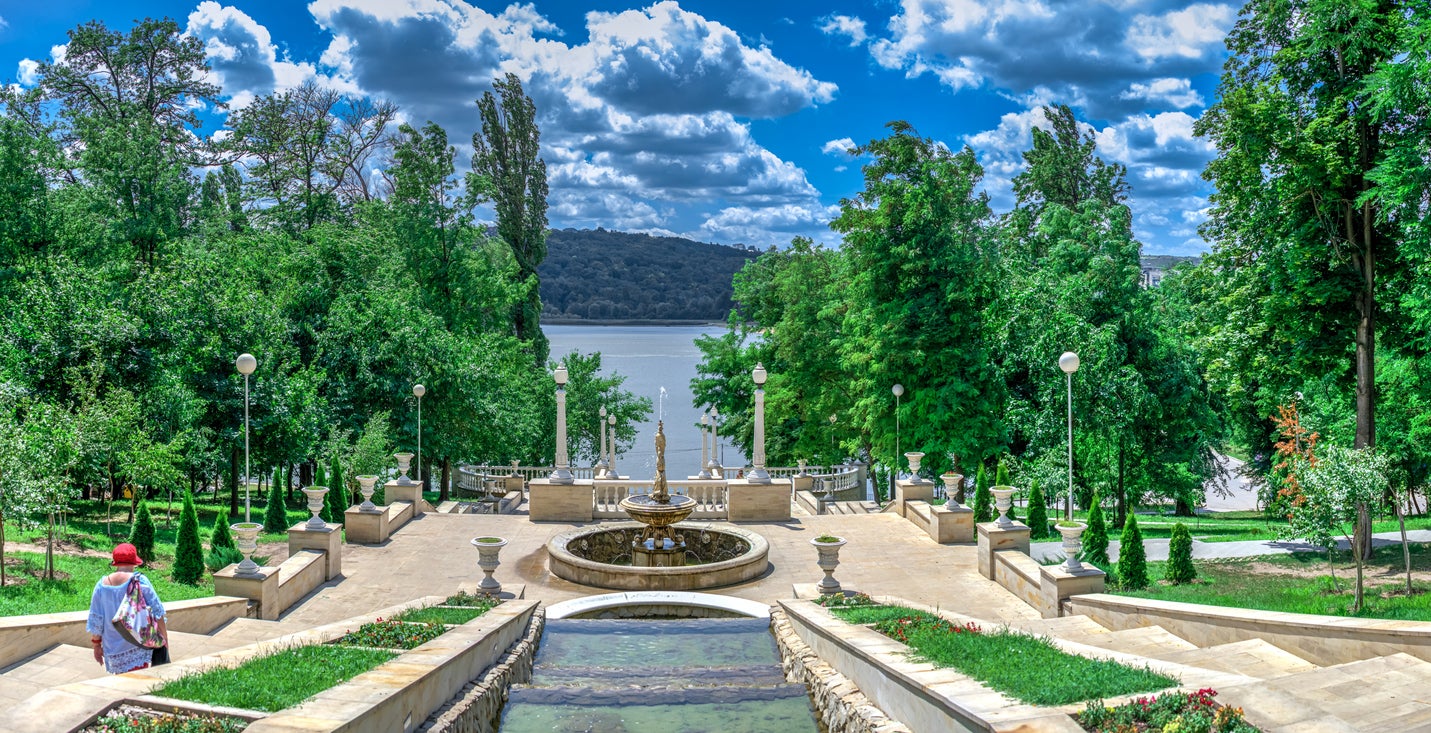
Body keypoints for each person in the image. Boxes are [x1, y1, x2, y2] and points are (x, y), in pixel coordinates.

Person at [86, 542, 168, 673]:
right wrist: (165, 640)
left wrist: (96, 645)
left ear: (115, 562)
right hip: (138, 644)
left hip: (112, 649)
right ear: (134, 562)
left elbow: (97, 620)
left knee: (121, 686)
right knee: (138, 684)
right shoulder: (140, 581)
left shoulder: (101, 586)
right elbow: (158, 613)